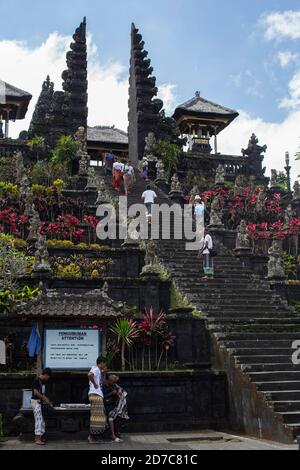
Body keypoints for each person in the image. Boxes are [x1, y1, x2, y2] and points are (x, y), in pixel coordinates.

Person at [103, 375, 129, 443]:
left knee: (121, 411)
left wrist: (119, 391)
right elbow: (103, 396)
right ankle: (113, 435)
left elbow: (120, 389)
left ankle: (117, 432)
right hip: (108, 404)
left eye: (115, 382)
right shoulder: (104, 386)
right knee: (111, 416)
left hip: (114, 403)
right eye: (113, 382)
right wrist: (111, 393)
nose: (114, 383)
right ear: (109, 380)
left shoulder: (114, 385)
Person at [87, 356, 107, 444]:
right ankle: (91, 437)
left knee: (97, 416)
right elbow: (89, 375)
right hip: (95, 395)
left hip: (95, 395)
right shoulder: (96, 369)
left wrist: (103, 372)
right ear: (101, 363)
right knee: (96, 417)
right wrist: (95, 384)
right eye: (104, 363)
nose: (105, 365)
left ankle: (92, 437)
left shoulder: (97, 370)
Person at [31, 368, 53, 446]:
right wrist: (44, 398)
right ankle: (37, 439)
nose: (48, 379)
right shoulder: (36, 380)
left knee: (42, 420)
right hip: (36, 402)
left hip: (40, 402)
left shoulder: (42, 382)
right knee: (39, 420)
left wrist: (46, 400)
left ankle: (40, 437)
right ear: (46, 375)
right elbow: (36, 392)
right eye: (48, 377)